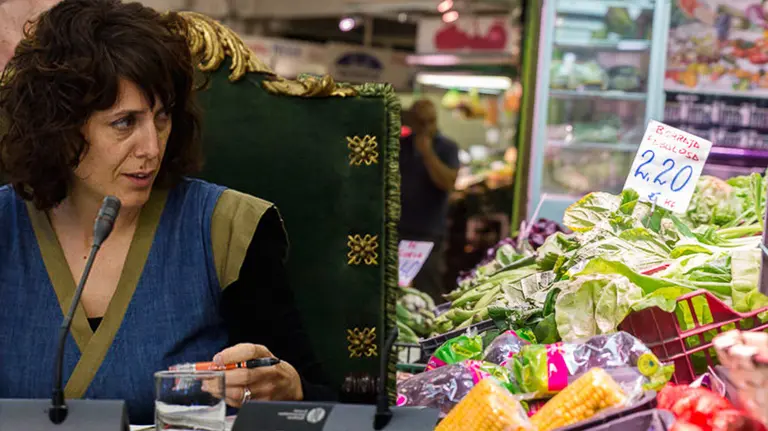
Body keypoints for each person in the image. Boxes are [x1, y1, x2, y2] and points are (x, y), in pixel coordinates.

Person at [0, 0, 332, 424]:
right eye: (124, 123)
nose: (152, 148)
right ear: (60, 127)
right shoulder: (5, 228)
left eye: (162, 117)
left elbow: (328, 406)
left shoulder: (227, 229)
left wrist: (289, 388)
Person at [399, 99, 460, 301]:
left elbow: (447, 182)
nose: (426, 127)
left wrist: (427, 154)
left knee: (429, 286)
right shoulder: (400, 146)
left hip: (429, 231)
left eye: (430, 121)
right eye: (420, 122)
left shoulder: (447, 148)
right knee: (397, 288)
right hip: (400, 228)